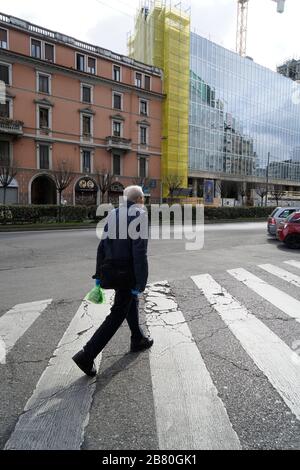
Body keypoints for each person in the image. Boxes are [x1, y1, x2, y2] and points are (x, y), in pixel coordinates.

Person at [72, 185, 153, 377]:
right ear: (140, 199)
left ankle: (137, 337)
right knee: (117, 313)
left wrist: (99, 274)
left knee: (128, 302)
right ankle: (87, 354)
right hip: (127, 272)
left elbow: (103, 245)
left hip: (112, 269)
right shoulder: (140, 214)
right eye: (144, 199)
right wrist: (141, 281)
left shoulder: (114, 213)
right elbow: (140, 252)